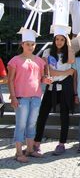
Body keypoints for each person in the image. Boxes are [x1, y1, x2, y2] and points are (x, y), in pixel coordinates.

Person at [8, 29, 47, 163]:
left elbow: (40, 78)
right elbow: (10, 80)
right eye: (28, 44)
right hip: (21, 98)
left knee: (31, 124)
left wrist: (45, 80)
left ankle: (30, 149)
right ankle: (19, 152)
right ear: (22, 44)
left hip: (36, 97)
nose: (30, 47)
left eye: (33, 44)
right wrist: (13, 97)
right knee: (21, 125)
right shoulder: (15, 60)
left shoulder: (40, 61)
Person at [34, 28, 75, 156]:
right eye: (57, 39)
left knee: (64, 116)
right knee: (42, 115)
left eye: (62, 39)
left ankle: (61, 143)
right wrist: (66, 73)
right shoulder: (47, 52)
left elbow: (72, 63)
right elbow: (48, 71)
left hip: (64, 89)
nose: (59, 42)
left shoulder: (69, 52)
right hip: (51, 88)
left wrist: (68, 41)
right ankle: (36, 143)